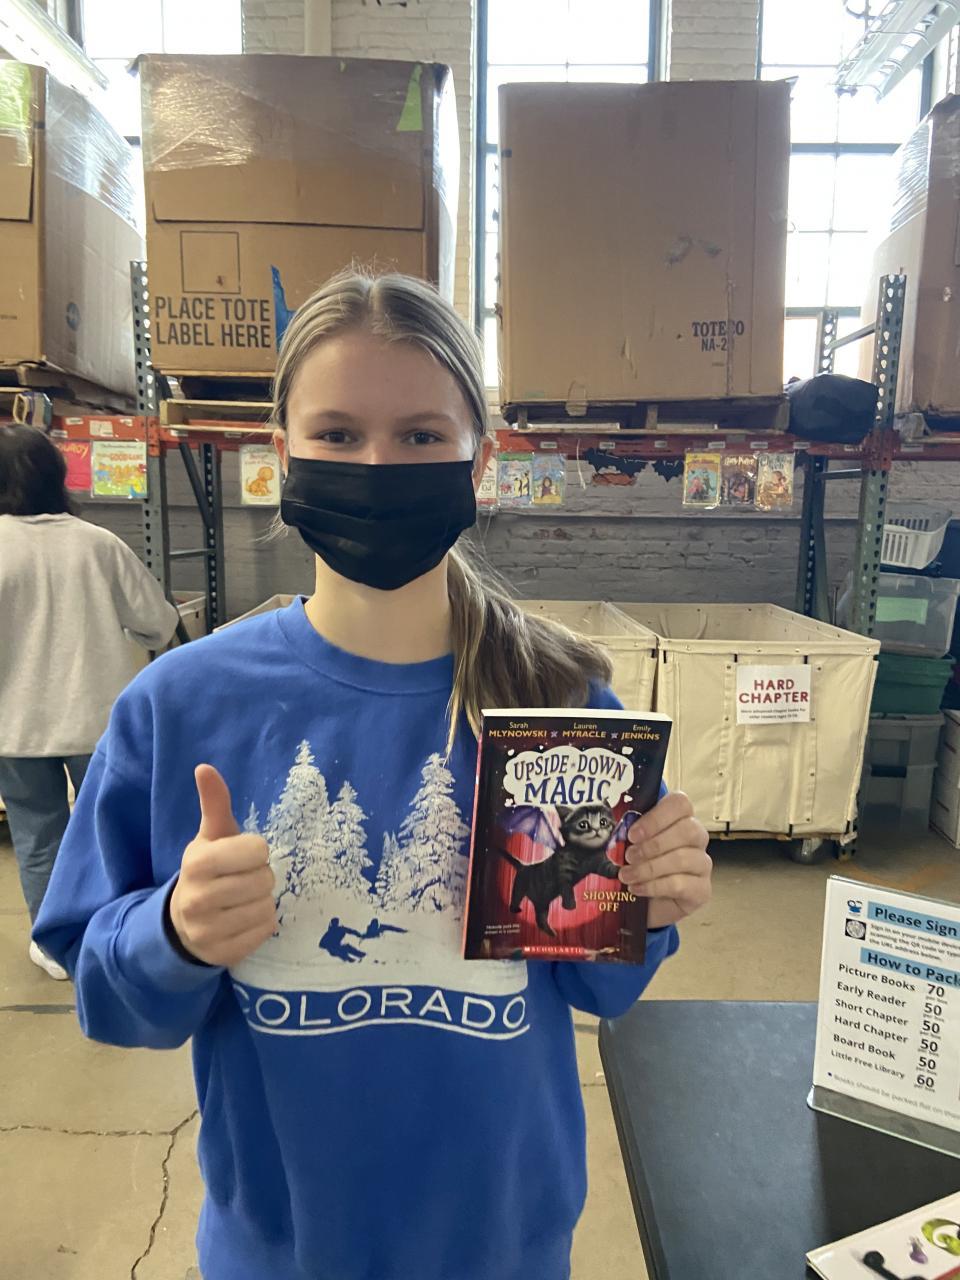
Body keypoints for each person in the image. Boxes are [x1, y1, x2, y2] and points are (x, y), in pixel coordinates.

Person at [33, 271, 712, 1280]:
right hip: (282, 1251)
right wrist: (173, 931)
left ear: (480, 460)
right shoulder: (180, 708)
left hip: (502, 1248)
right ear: (282, 454)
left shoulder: (559, 708)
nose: (378, 465)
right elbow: (109, 997)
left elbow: (600, 990)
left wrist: (648, 905)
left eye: (422, 435)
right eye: (339, 434)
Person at [0, 424, 178, 978]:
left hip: (13, 726)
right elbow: (157, 624)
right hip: (98, 721)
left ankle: (54, 944)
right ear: (59, 476)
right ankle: (121, 933)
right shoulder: (98, 544)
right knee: (112, 833)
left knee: (38, 835)